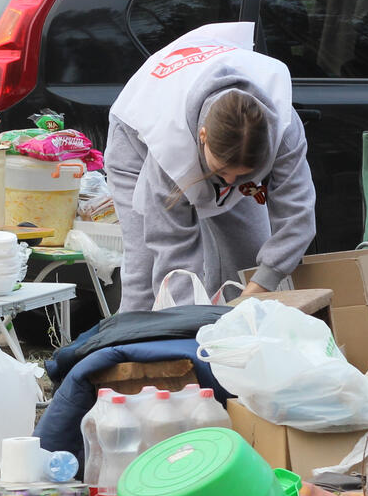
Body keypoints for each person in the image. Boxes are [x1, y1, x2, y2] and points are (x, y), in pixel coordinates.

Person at [105, 21, 317, 312]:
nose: (229, 182)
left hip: (208, 130)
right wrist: (187, 325)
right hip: (137, 138)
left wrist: (259, 286)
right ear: (202, 137)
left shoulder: (282, 129)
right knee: (146, 275)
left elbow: (298, 217)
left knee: (248, 256)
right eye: (222, 171)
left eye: (243, 175)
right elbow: (172, 253)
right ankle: (137, 349)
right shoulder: (170, 143)